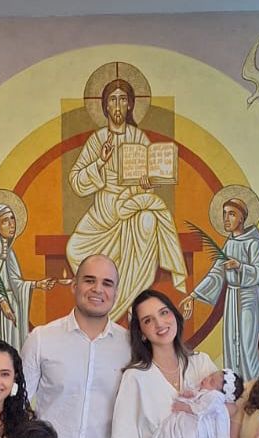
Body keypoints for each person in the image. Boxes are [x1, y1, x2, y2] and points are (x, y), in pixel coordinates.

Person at [65, 77, 189, 318]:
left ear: (130, 104)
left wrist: (147, 183)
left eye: (123, 99)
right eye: (112, 100)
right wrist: (100, 161)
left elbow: (148, 176)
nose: (118, 105)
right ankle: (103, 298)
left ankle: (132, 300)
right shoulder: (97, 139)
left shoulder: (138, 137)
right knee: (74, 249)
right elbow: (77, 182)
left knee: (148, 221)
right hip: (103, 211)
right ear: (105, 106)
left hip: (131, 205)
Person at [21, 254, 129, 438]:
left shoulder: (130, 346)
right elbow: (17, 405)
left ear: (116, 292)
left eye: (107, 283)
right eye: (89, 280)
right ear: (74, 285)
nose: (98, 289)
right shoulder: (42, 339)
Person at [111, 289, 218, 438]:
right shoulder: (135, 377)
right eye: (148, 320)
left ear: (175, 316)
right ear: (142, 333)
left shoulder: (201, 364)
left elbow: (226, 413)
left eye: (164, 312)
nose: (159, 323)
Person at [181, 196, 259, 379]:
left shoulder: (252, 242)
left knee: (248, 345)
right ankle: (235, 385)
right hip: (232, 299)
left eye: (231, 214)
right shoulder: (229, 243)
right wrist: (193, 295)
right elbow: (216, 273)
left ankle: (253, 384)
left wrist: (239, 266)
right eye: (224, 214)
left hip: (248, 298)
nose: (226, 218)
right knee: (232, 342)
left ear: (242, 218)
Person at [0, 205, 54, 348]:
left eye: (12, 219)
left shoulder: (10, 253)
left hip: (13, 305)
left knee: (13, 348)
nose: (12, 224)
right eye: (5, 221)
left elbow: (16, 282)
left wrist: (36, 284)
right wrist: (3, 303)